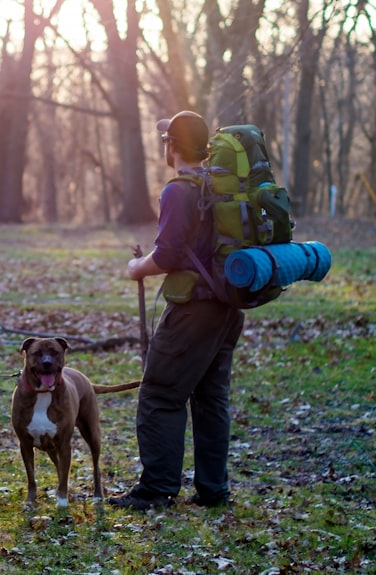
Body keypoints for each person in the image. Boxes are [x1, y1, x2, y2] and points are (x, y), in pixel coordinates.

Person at [109, 110, 244, 511]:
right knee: (210, 399)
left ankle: (156, 490)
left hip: (194, 310)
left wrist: (137, 268)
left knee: (160, 393)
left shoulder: (179, 190)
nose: (163, 146)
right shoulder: (218, 185)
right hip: (228, 307)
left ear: (172, 145)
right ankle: (213, 490)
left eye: (165, 140)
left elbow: (166, 255)